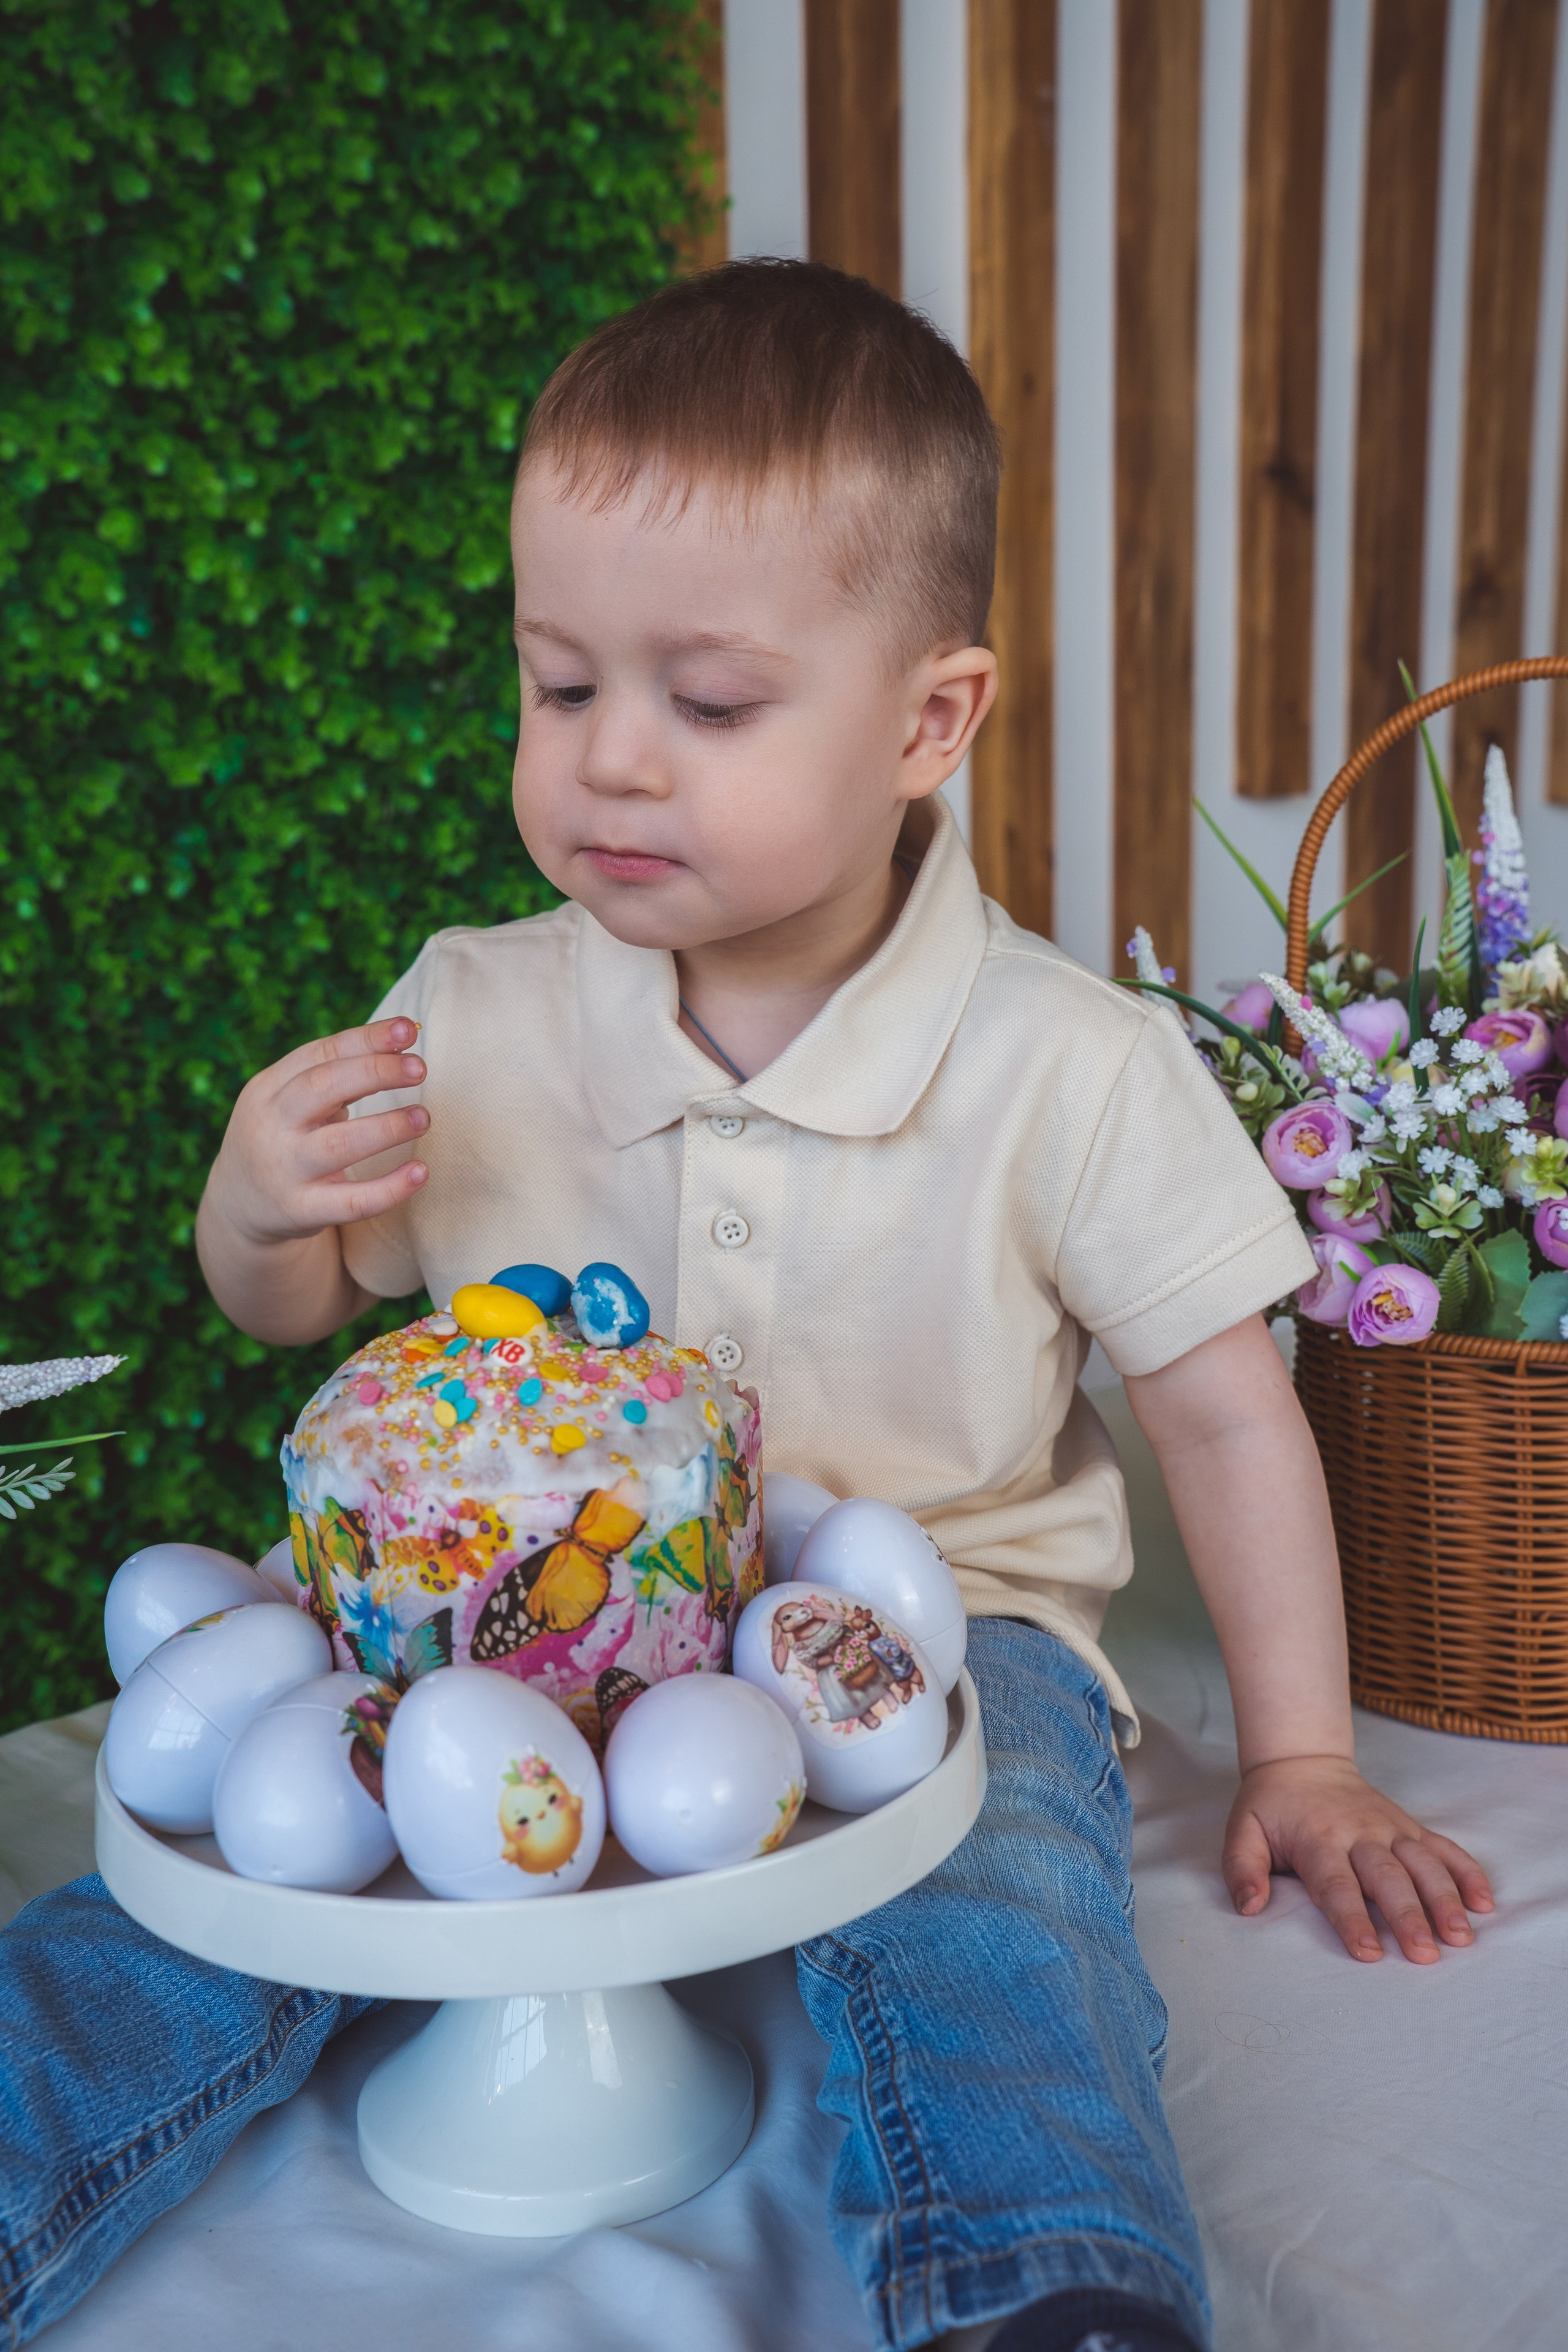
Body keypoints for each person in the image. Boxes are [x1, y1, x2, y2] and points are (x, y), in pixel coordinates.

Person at [1, 261, 1492, 2352]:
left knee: (1001, 1909)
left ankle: (1042, 2283)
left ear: (928, 722)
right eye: (558, 684)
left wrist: (1308, 1756)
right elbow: (294, 1305)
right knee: (227, 1869)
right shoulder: (473, 1008)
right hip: (488, 1616)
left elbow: (1228, 1413)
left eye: (707, 706)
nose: (610, 763)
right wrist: (255, 1206)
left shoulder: (1068, 1063)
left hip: (944, 1619)